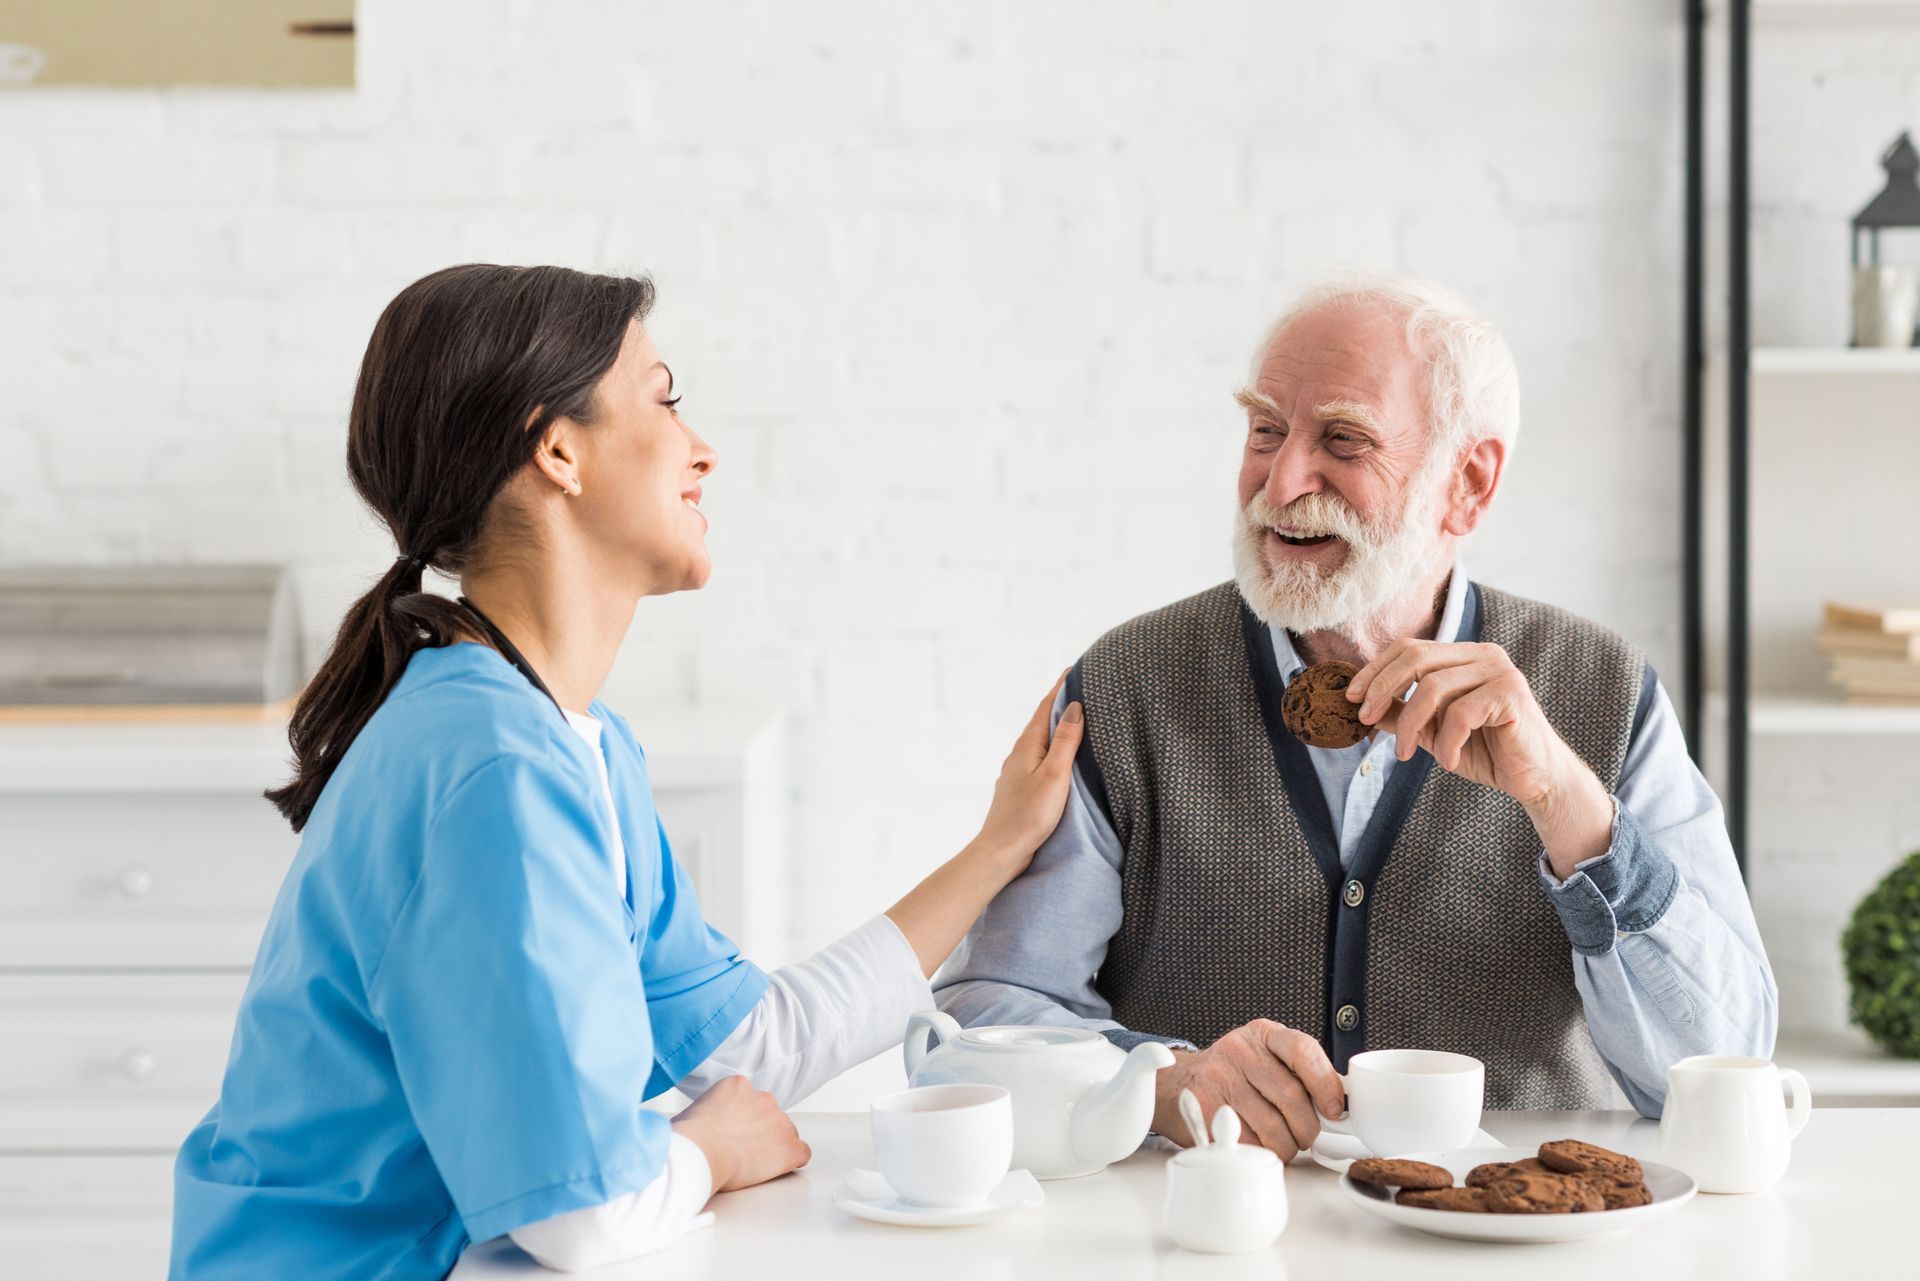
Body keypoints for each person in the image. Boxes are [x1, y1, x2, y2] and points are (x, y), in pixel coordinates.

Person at [168, 264, 1084, 1280]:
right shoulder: (495, 771)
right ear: (557, 450)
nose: (704, 449)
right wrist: (706, 1150)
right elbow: (585, 1220)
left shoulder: (568, 741)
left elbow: (747, 1048)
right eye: (663, 396)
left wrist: (1000, 845)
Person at [936, 273, 1777, 1158]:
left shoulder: (1605, 695)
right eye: (1265, 429)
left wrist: (1568, 804)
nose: (1281, 479)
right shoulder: (1127, 688)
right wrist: (1157, 1084)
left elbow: (1722, 1066)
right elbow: (986, 1020)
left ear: (1469, 482)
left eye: (1343, 438)